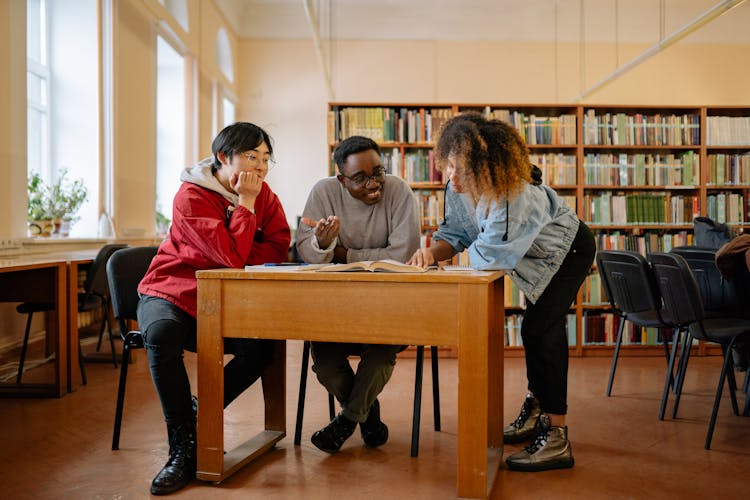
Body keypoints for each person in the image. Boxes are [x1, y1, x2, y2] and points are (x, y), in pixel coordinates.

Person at [408, 113, 596, 472]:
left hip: (568, 252)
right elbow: (456, 233)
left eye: (458, 168)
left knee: (541, 329)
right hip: (532, 257)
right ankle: (536, 408)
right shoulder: (460, 188)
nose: (450, 176)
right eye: (448, 166)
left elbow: (488, 257)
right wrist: (432, 253)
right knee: (534, 330)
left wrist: (446, 265)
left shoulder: (515, 195)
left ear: (485, 167)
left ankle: (556, 436)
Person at [137, 122, 291, 494]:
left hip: (224, 298)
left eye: (266, 159)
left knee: (261, 348)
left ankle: (199, 412)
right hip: (171, 290)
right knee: (162, 333)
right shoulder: (190, 196)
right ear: (223, 157)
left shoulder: (265, 194)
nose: (259, 167)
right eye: (251, 157)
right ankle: (182, 446)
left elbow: (278, 245)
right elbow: (229, 256)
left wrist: (240, 249)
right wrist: (247, 207)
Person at [295, 135, 421, 453]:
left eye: (378, 172)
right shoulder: (323, 192)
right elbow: (306, 252)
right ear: (341, 178)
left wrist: (343, 253)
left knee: (379, 358)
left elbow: (404, 252)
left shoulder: (399, 191)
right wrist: (323, 245)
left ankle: (347, 421)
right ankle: (368, 416)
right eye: (360, 178)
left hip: (389, 304)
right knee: (324, 366)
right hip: (335, 307)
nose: (373, 183)